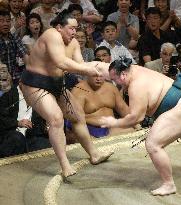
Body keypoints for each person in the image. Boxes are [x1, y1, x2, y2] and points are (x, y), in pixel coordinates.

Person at [99, 56, 181, 196]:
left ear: (123, 75)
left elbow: (136, 118)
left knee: (153, 144)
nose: (115, 83)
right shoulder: (137, 69)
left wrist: (114, 122)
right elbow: (97, 67)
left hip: (180, 107)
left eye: (114, 79)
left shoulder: (136, 86)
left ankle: (169, 184)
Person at [20, 10, 113, 178]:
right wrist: (90, 69)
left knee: (77, 116)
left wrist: (106, 68)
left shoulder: (74, 43)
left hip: (56, 84)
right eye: (70, 28)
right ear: (59, 27)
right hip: (34, 84)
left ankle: (94, 154)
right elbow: (62, 62)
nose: (74, 32)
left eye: (76, 28)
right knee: (56, 119)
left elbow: (81, 65)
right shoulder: (51, 35)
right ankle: (65, 166)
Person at [70, 74, 135, 138]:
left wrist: (136, 123)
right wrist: (95, 121)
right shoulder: (78, 91)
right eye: (95, 75)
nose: (98, 79)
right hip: (90, 129)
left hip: (111, 127)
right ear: (88, 74)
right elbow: (74, 118)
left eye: (101, 76)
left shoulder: (111, 88)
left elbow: (123, 109)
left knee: (132, 130)